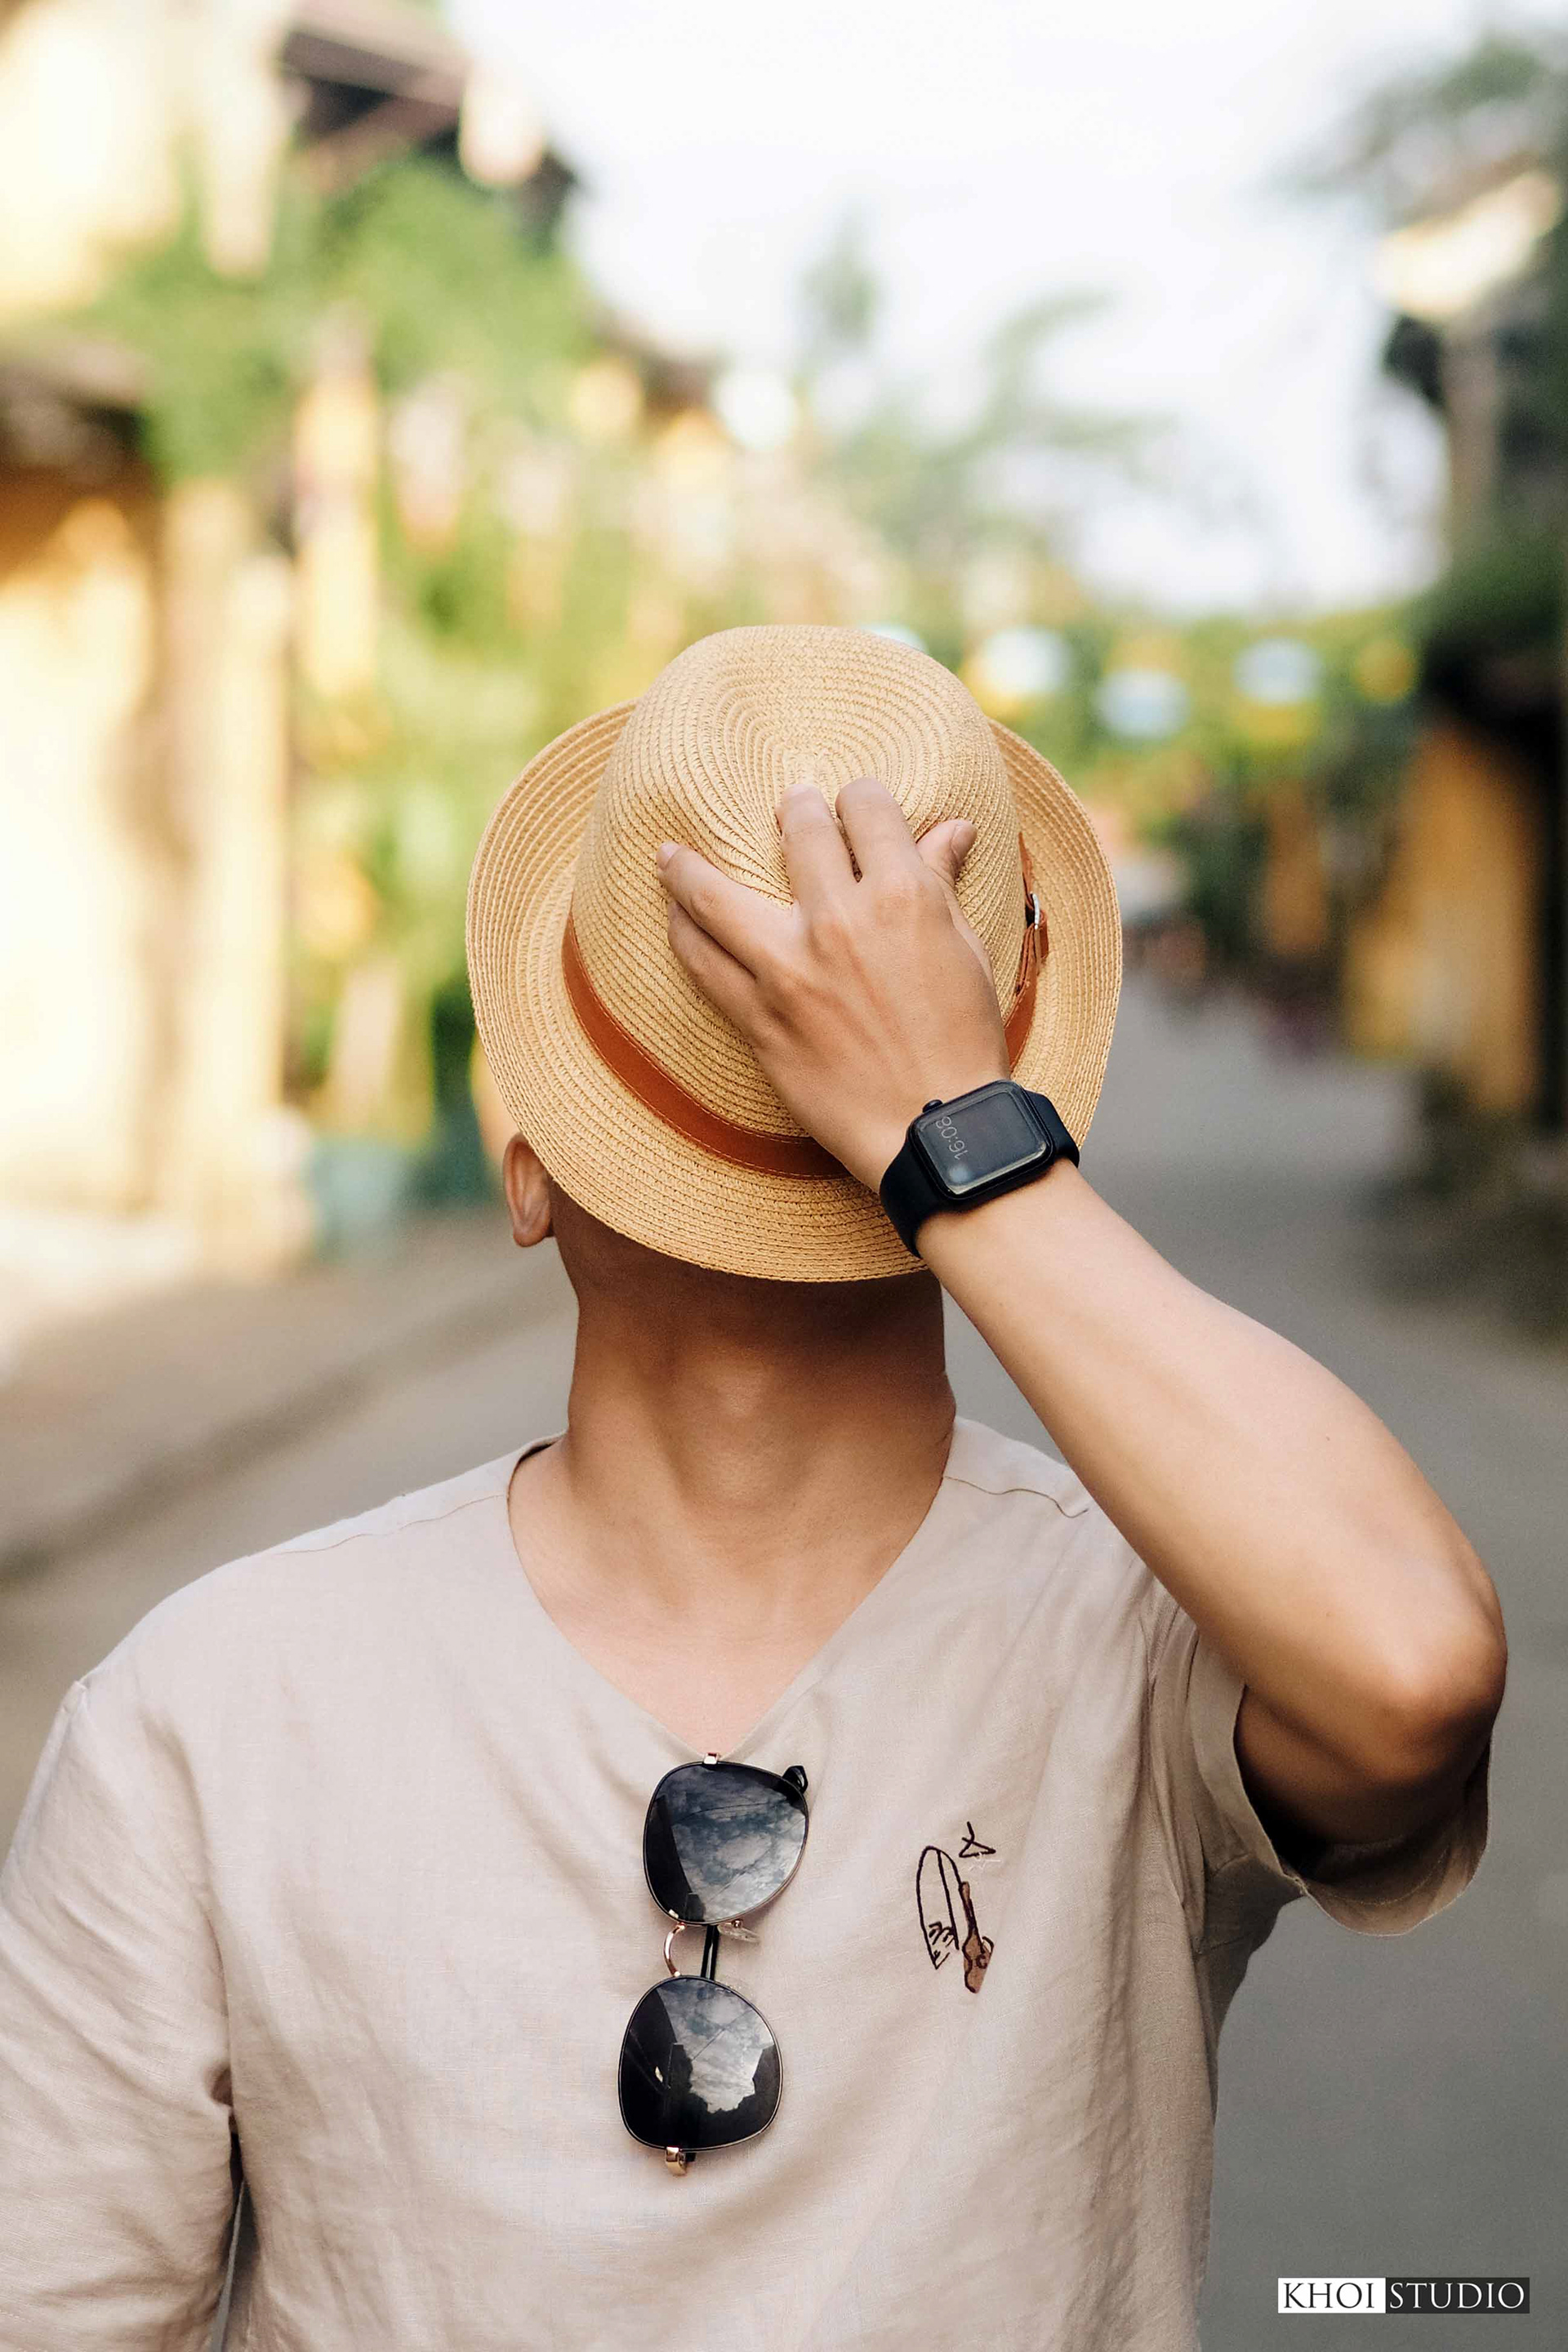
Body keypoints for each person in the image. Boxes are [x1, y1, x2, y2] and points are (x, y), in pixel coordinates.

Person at [0, 626, 1503, 2351]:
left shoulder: (1147, 1643)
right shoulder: (202, 1719)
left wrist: (948, 1129)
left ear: (524, 1163)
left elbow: (1413, 1670)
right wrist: (953, 1128)